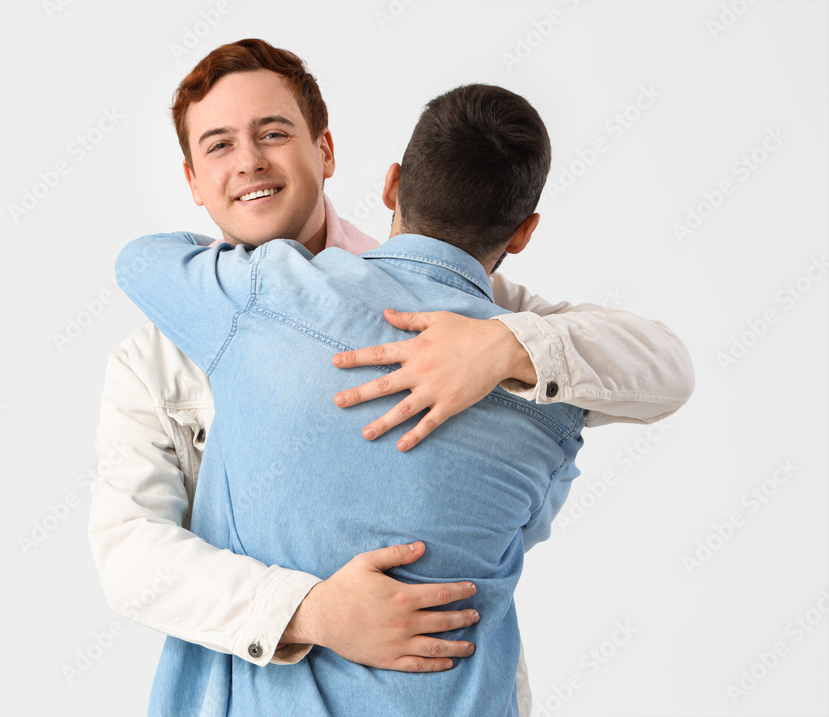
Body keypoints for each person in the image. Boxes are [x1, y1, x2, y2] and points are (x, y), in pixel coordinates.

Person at [88, 38, 694, 715]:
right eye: (219, 146)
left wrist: (499, 348)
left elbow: (664, 367)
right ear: (193, 181)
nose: (251, 161)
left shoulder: (464, 301)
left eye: (273, 132)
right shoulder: (154, 356)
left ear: (327, 151)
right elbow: (131, 556)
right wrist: (312, 610)